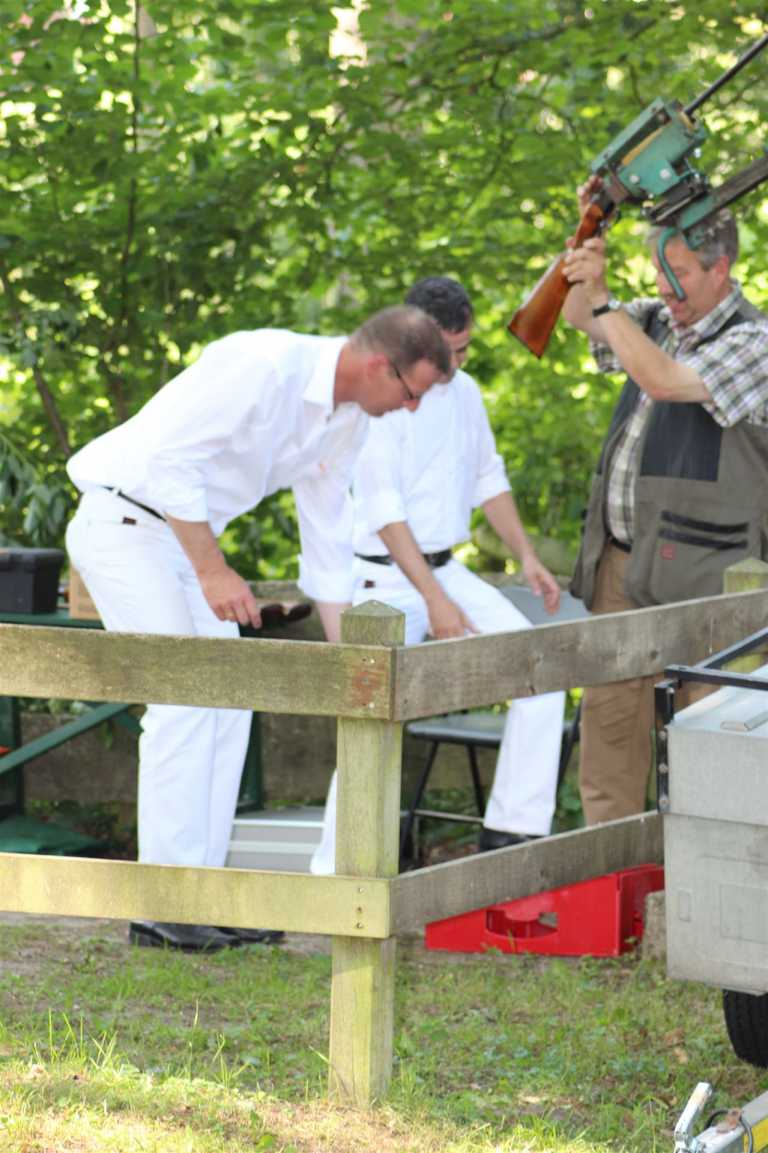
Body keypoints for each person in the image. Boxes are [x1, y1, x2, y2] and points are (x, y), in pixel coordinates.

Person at [65, 307, 451, 950]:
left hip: (184, 540)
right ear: (380, 366)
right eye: (412, 393)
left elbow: (326, 535)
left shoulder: (347, 420)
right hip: (123, 525)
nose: (410, 409)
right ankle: (161, 905)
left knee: (233, 697)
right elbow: (169, 464)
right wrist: (213, 571)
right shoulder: (263, 365)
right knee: (184, 702)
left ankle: (203, 893)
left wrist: (346, 657)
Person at [310, 277, 566, 875]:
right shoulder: (379, 400)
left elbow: (488, 477)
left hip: (448, 570)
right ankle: (335, 869)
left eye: (465, 348)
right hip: (381, 580)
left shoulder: (467, 392)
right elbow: (385, 513)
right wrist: (434, 599)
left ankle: (511, 835)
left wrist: (527, 555)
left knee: (542, 668)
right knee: (370, 714)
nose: (457, 363)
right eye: (447, 352)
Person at [562, 179, 768, 826]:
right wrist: (588, 232)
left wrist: (605, 300)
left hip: (709, 579)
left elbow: (666, 380)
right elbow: (575, 316)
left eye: (678, 273)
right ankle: (613, 877)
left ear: (721, 270)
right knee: (609, 738)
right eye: (658, 269)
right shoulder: (652, 321)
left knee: (709, 743)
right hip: (623, 564)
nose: (664, 286)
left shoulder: (755, 341)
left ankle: (702, 880)